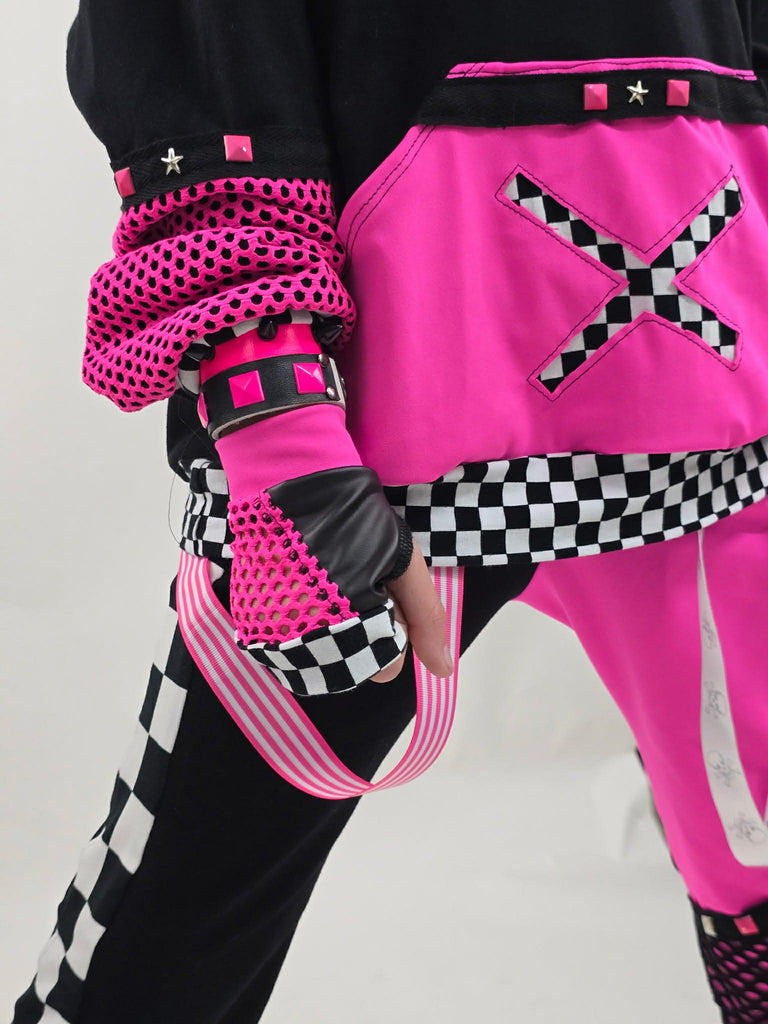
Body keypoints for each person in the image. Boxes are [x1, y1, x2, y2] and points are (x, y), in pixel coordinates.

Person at [12, 2, 768, 1021]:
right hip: (385, 436)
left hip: (719, 404)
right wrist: (279, 432)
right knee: (165, 955)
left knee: (754, 867)